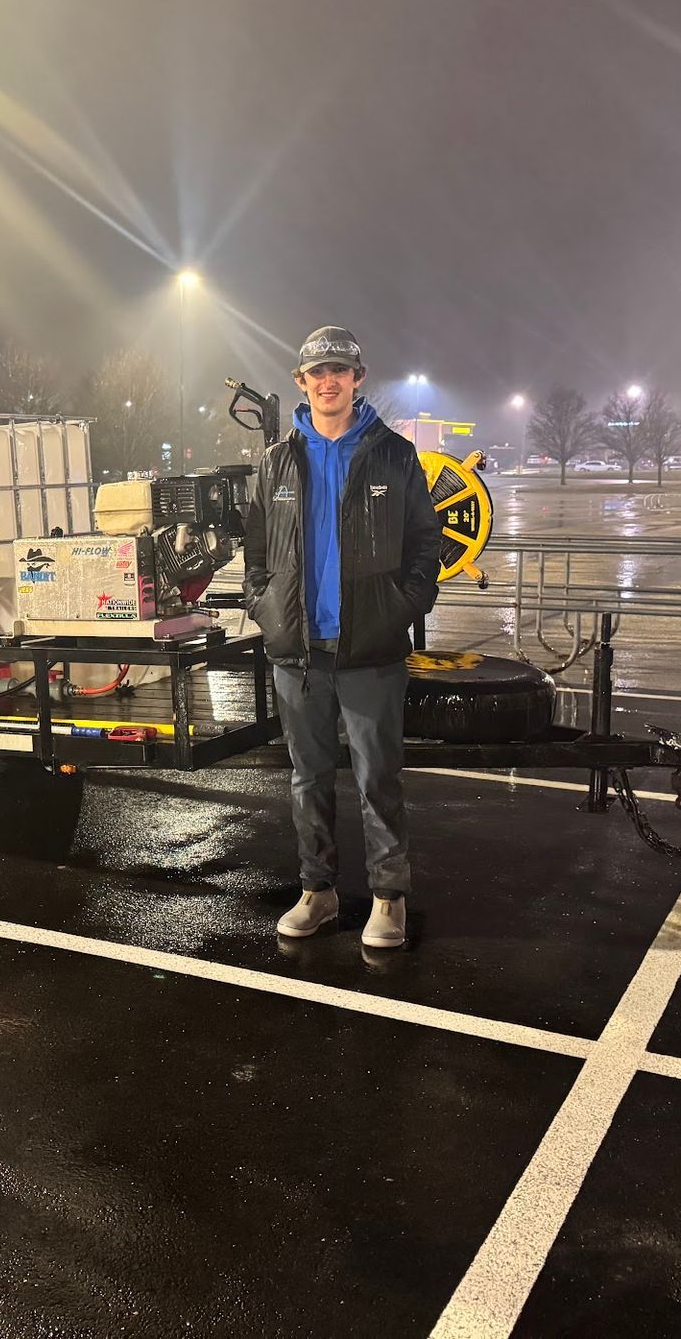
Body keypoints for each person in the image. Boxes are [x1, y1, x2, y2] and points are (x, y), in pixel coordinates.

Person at [242, 326, 441, 949]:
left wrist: (401, 609)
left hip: (370, 651)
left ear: (357, 379)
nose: (328, 381)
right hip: (298, 652)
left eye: (340, 371)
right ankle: (317, 891)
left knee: (378, 777)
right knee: (308, 779)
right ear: (301, 382)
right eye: (316, 372)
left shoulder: (392, 455)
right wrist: (265, 606)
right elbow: (255, 551)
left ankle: (388, 898)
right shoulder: (277, 461)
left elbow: (425, 545)